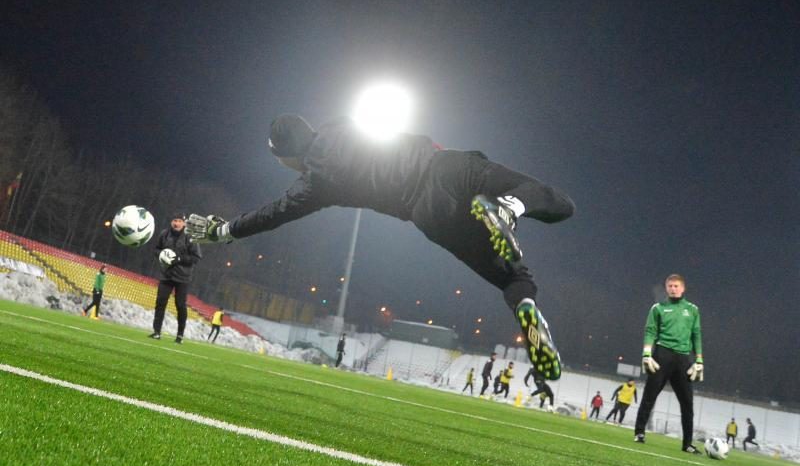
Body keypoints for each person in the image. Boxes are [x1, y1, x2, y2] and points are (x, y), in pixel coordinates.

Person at [186, 115, 575, 379]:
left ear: (285, 158)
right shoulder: (341, 124)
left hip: (427, 213)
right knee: (557, 203)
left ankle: (526, 308)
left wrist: (225, 231)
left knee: (514, 279)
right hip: (446, 167)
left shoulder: (314, 184)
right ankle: (511, 207)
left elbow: (272, 214)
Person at [633, 274, 704, 454]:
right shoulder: (658, 308)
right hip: (662, 354)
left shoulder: (693, 310)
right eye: (670, 286)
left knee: (687, 403)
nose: (673, 288)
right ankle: (639, 432)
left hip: (683, 358)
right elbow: (650, 331)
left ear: (683, 288)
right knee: (649, 395)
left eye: (676, 286)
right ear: (666, 288)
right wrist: (647, 354)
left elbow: (696, 335)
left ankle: (687, 443)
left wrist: (699, 360)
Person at [149, 213, 202, 344]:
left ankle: (180, 336)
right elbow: (156, 249)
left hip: (182, 277)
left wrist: (179, 258)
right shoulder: (164, 234)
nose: (176, 223)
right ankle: (156, 332)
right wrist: (162, 255)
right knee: (160, 302)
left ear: (184, 223)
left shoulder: (190, 237)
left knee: (180, 305)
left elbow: (196, 258)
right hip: (166, 275)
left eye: (179, 221)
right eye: (174, 220)